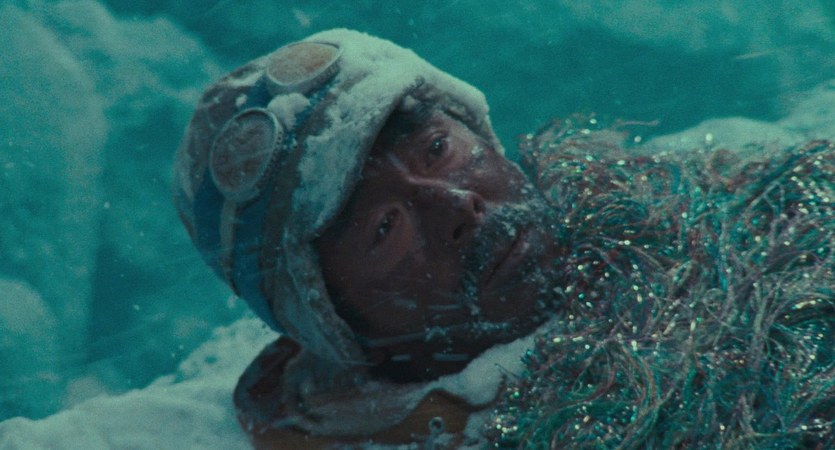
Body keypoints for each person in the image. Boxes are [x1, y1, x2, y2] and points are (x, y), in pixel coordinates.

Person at [174, 29, 835, 448]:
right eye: (386, 227)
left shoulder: (724, 188)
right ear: (336, 324)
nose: (456, 204)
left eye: (439, 149)